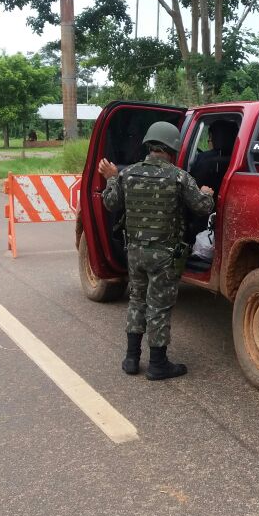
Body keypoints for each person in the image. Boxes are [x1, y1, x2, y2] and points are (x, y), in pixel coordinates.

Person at [97, 121, 214, 380]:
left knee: (137, 301)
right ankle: (158, 365)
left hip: (135, 253)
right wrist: (207, 193)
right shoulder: (179, 176)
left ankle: (131, 359)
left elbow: (110, 203)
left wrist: (112, 178)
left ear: (149, 145)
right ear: (172, 147)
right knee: (158, 307)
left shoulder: (128, 174)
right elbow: (203, 207)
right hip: (164, 255)